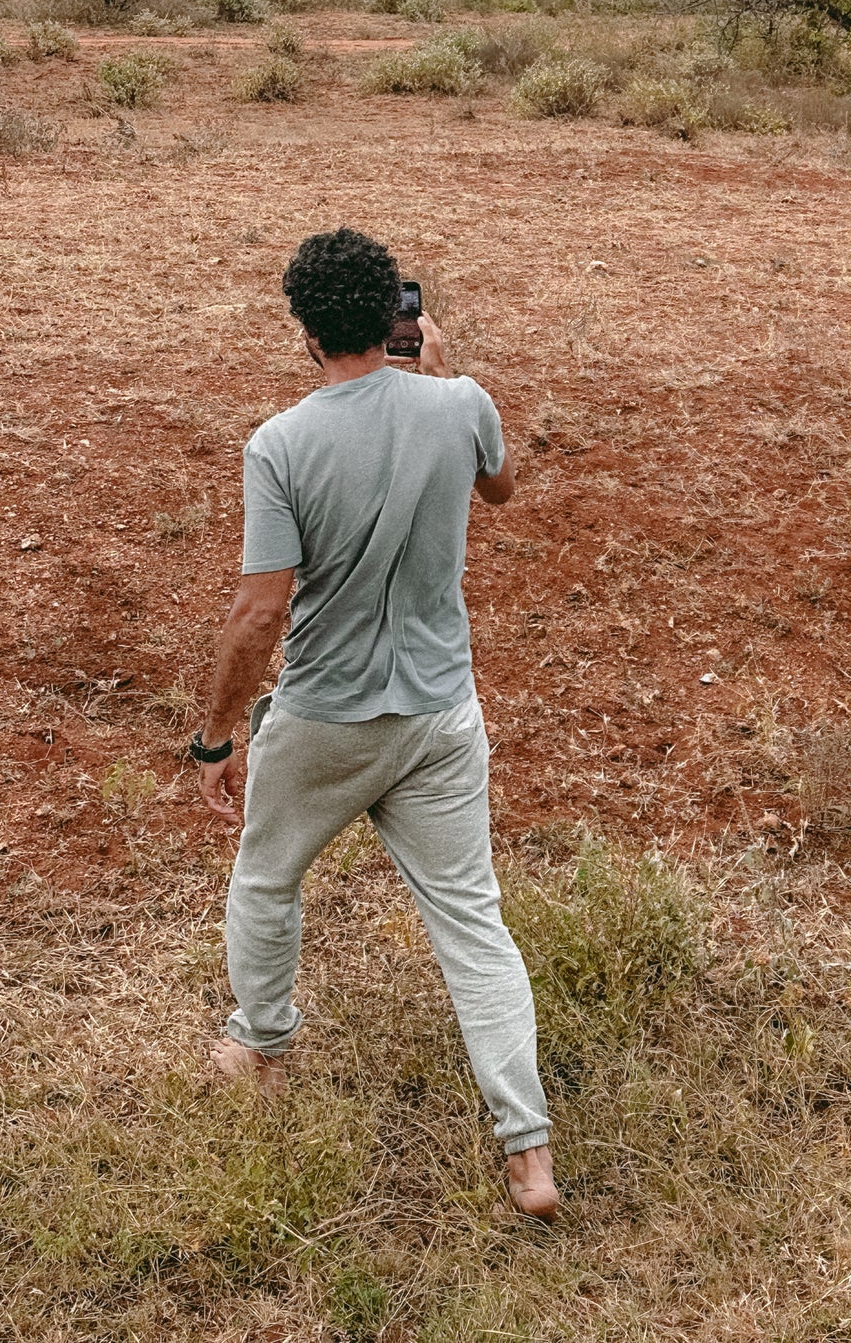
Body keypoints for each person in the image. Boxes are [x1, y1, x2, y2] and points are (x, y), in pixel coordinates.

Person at [190, 227, 557, 1222]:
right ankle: (528, 1152)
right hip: (440, 711)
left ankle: (261, 1042)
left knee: (266, 878)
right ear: (395, 317)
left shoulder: (280, 444)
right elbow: (502, 487)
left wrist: (220, 733)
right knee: (472, 923)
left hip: (326, 714)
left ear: (305, 330)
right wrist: (446, 376)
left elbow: (262, 609)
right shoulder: (462, 403)